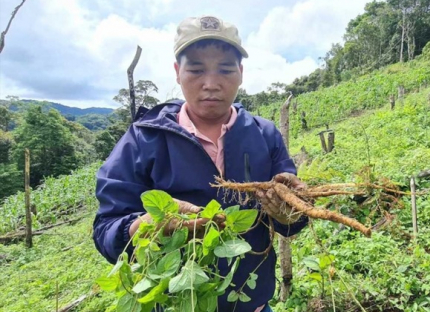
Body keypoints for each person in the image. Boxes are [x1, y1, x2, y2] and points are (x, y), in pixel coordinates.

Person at [93, 15, 308, 312]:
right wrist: (143, 226)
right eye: (195, 69)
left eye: (225, 70)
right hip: (176, 304)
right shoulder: (143, 139)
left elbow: (292, 221)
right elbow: (106, 231)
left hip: (253, 303)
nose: (211, 84)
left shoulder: (265, 134)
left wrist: (290, 214)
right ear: (177, 72)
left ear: (241, 73)